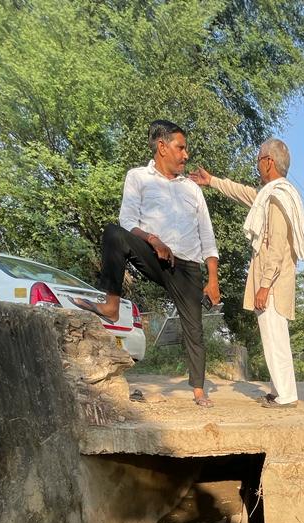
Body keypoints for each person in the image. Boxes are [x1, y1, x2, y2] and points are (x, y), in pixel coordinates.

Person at [73, 120, 221, 407]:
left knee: (194, 329)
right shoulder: (138, 177)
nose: (186, 154)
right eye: (181, 148)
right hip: (155, 255)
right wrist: (153, 240)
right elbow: (128, 220)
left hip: (188, 266)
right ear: (162, 147)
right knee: (114, 233)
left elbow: (207, 236)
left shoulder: (192, 189)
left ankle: (198, 390)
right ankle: (111, 305)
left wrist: (212, 279)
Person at [190, 139, 304, 408]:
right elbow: (244, 193)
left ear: (268, 162)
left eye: (258, 160)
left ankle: (286, 396)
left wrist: (265, 285)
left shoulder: (278, 198)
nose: (257, 165)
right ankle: (279, 391)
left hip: (273, 282)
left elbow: (277, 248)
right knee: (273, 337)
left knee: (275, 339)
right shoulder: (271, 195)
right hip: (274, 281)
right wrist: (212, 181)